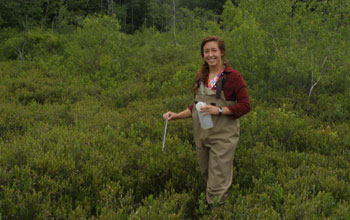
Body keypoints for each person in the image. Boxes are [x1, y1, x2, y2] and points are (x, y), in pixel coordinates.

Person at [163, 35, 250, 205]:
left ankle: (216, 213)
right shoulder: (201, 77)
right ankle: (220, 208)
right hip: (202, 136)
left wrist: (219, 110)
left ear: (222, 53)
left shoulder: (233, 77)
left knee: (217, 185)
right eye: (206, 51)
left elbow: (245, 105)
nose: (210, 54)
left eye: (214, 50)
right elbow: (196, 107)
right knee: (208, 177)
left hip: (223, 139)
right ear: (203, 54)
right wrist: (176, 116)